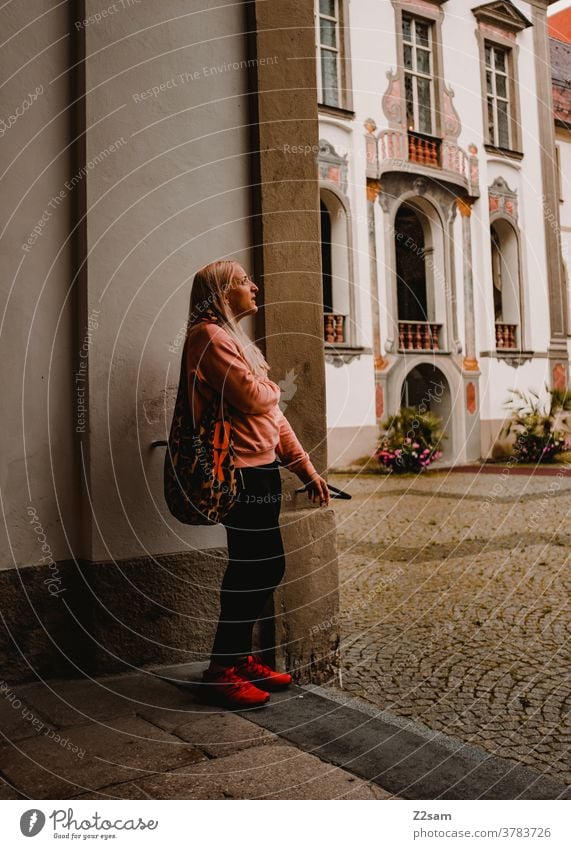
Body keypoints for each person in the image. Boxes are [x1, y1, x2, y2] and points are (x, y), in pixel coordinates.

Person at [184, 259, 330, 709]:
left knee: (261, 566)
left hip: (261, 469)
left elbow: (270, 414)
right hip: (237, 474)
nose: (255, 285)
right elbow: (256, 397)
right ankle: (220, 671)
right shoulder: (207, 337)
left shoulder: (234, 341)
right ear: (224, 292)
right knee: (255, 567)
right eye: (245, 281)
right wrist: (272, 387)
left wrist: (305, 467)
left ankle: (237, 659)